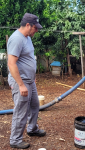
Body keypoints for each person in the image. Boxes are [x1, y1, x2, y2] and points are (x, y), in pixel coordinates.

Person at [7, 13, 46, 149]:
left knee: (35, 105)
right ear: (28, 25)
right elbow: (11, 64)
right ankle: (15, 140)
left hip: (29, 80)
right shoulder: (16, 39)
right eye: (35, 28)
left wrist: (32, 76)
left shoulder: (27, 37)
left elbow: (27, 58)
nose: (36, 30)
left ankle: (32, 129)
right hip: (21, 82)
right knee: (21, 111)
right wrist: (21, 84)